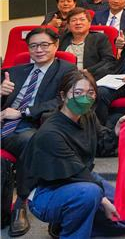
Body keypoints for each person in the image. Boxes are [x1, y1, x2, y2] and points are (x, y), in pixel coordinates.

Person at [17, 70, 125, 239]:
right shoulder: (50, 133)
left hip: (80, 178)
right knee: (91, 193)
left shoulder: (87, 115)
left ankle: (66, 224)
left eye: (90, 93)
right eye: (78, 92)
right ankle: (72, 228)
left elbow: (103, 144)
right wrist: (104, 201)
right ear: (63, 96)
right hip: (46, 191)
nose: (85, 98)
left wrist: (116, 131)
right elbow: (77, 173)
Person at [1, 27, 76, 237]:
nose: (39, 50)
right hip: (3, 121)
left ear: (56, 45)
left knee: (31, 140)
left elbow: (63, 100)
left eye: (44, 45)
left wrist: (23, 111)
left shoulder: (67, 70)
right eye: (33, 46)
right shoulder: (14, 71)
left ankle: (20, 203)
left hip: (29, 124)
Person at [59, 8, 115, 76]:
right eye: (74, 20)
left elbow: (108, 60)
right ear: (68, 25)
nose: (78, 23)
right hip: (64, 77)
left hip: (91, 76)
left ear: (89, 23)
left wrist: (88, 71)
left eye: (82, 19)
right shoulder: (62, 39)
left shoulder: (99, 38)